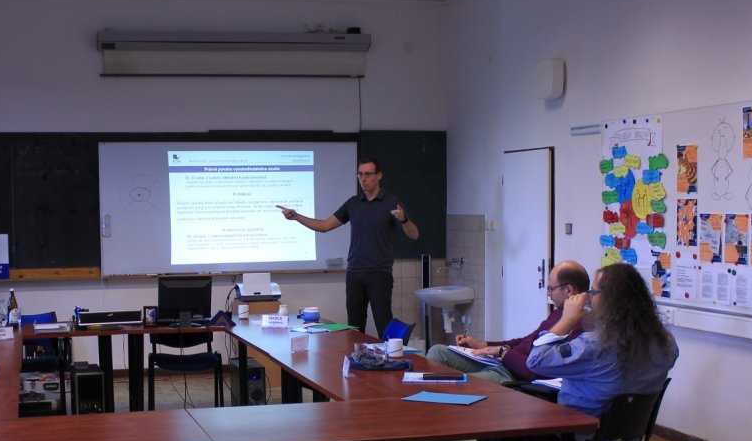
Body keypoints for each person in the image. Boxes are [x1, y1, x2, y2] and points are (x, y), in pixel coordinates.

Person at [280, 158, 419, 337]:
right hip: (354, 273)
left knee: (383, 322)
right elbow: (324, 226)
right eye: (360, 174)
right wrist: (297, 216)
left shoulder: (392, 203)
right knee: (354, 326)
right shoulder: (353, 203)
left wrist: (404, 220)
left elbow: (414, 234)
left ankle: (392, 355)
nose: (363, 179)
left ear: (379, 176)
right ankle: (357, 355)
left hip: (379, 273)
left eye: (368, 174)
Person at [526, 262, 678, 418]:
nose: (589, 298)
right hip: (630, 431)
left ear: (609, 300)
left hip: (578, 428)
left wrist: (567, 320)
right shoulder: (666, 342)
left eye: (592, 292)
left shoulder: (594, 346)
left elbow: (536, 360)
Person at [425, 260, 590, 383]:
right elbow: (524, 341)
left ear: (569, 290)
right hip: (503, 362)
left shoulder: (577, 326)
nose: (548, 294)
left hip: (513, 375)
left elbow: (534, 369)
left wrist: (502, 352)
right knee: (438, 351)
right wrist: (483, 345)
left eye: (551, 289)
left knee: (462, 383)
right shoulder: (558, 313)